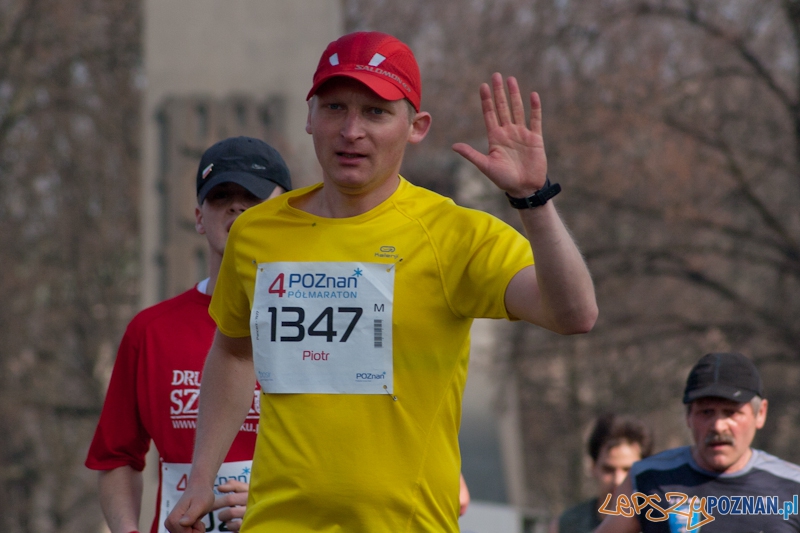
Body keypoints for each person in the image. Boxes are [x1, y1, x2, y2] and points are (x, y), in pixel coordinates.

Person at [166, 30, 598, 533]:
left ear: (416, 126)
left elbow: (574, 315)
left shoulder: (453, 234)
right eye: (335, 108)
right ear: (309, 116)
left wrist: (534, 199)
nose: (352, 130)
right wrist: (200, 480)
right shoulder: (258, 233)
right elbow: (234, 352)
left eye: (375, 112)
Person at [86, 136, 292, 533]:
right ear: (199, 217)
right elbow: (116, 457)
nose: (236, 206)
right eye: (221, 197)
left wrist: (280, 499)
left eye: (253, 196)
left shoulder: (318, 323)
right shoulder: (151, 331)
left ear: (288, 213)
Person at [595, 352, 800, 533]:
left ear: (760, 414)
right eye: (706, 412)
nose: (718, 426)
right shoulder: (648, 480)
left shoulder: (792, 487)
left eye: (731, 413)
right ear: (688, 417)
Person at [548, 413, 654, 533]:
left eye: (627, 470)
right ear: (593, 467)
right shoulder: (566, 526)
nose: (618, 480)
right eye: (608, 469)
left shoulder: (659, 523)